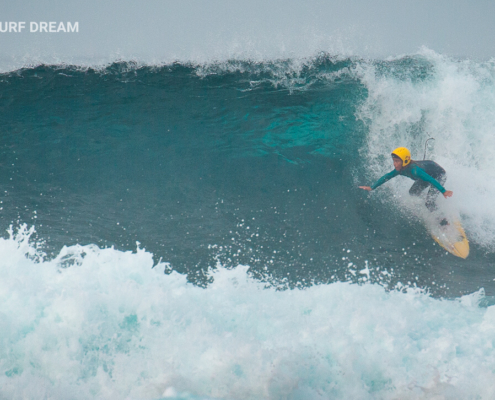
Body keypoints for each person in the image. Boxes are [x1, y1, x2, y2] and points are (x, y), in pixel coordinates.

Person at [359, 147, 453, 224]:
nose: (394, 164)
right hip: (427, 173)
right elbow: (387, 176)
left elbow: (431, 179)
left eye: (396, 161)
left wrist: (443, 191)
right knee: (412, 192)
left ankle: (443, 221)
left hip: (439, 175)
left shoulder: (415, 170)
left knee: (428, 202)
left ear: (404, 161)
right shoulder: (400, 169)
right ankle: (430, 201)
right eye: (394, 161)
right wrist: (372, 187)